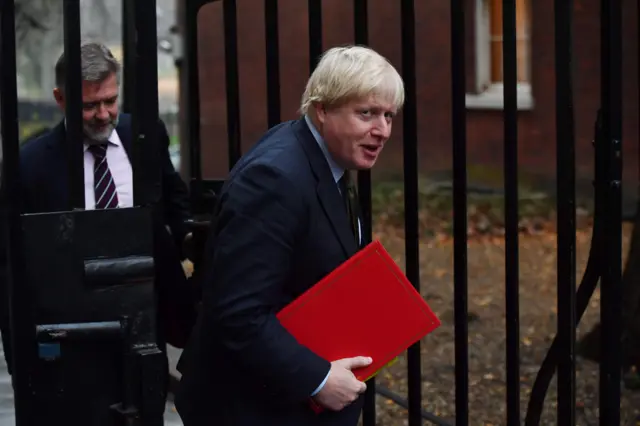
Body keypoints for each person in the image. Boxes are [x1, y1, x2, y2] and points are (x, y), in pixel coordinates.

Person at [174, 45, 405, 426]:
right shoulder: (275, 179)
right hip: (253, 409)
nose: (382, 130)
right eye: (366, 113)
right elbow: (238, 312)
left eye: (388, 115)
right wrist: (317, 379)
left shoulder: (329, 160)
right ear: (322, 109)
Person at [0, 42, 196, 385]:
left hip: (145, 314)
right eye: (90, 106)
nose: (104, 114)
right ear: (61, 99)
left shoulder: (145, 137)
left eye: (110, 101)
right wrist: (20, 354)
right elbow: (11, 261)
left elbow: (175, 204)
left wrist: (191, 246)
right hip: (73, 323)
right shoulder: (31, 165)